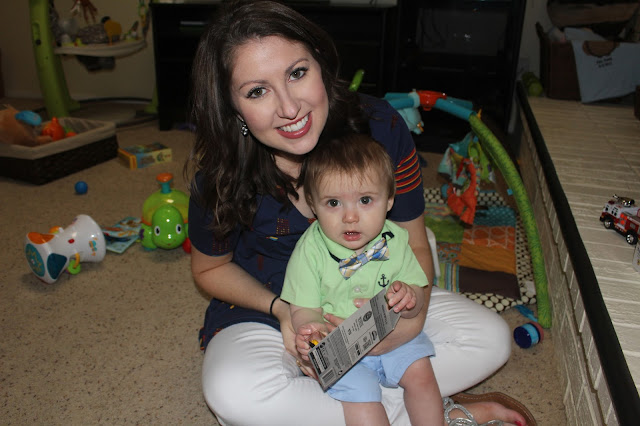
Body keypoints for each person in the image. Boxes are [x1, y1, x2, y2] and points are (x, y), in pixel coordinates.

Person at [186, 1, 532, 425]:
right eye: (257, 91)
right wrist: (282, 310)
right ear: (233, 108)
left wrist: (408, 324)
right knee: (234, 393)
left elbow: (415, 243)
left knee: (491, 340)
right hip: (268, 310)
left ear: (320, 63)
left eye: (297, 73)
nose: (289, 108)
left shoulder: (381, 127)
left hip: (376, 291)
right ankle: (428, 411)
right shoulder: (219, 174)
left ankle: (365, 405)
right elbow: (209, 269)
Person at [281, 134, 443, 425]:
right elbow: (303, 308)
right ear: (313, 205)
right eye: (333, 203)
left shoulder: (396, 239)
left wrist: (410, 298)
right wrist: (312, 329)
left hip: (394, 334)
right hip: (341, 346)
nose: (350, 217)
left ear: (389, 200)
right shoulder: (309, 251)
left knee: (422, 375)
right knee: (363, 398)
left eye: (365, 200)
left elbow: (417, 296)